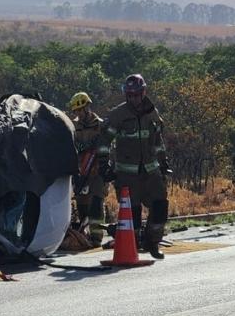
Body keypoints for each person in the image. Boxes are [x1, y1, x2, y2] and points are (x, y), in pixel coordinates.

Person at [97, 74, 171, 259]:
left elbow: (158, 139)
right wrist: (103, 165)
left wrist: (163, 162)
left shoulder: (151, 113)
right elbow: (104, 141)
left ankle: (153, 242)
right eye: (130, 95)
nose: (134, 99)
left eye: (137, 94)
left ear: (143, 92)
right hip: (127, 175)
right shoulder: (118, 115)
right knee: (133, 213)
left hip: (151, 172)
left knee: (160, 206)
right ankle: (133, 243)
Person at [68, 91, 105, 247]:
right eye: (76, 111)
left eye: (81, 109)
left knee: (96, 201)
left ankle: (96, 237)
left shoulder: (100, 124)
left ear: (88, 107)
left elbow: (108, 147)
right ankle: (84, 233)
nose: (79, 114)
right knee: (82, 202)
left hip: (97, 170)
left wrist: (104, 164)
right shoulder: (73, 126)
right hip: (81, 170)